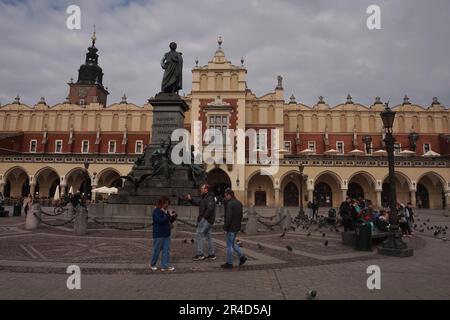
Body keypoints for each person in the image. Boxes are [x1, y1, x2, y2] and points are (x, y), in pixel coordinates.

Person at [187, 184, 216, 261]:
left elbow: (210, 209)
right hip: (208, 220)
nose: (201, 189)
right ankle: (212, 254)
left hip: (207, 220)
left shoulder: (209, 197)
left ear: (206, 189)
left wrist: (203, 218)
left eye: (202, 188)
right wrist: (191, 199)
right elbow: (198, 202)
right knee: (209, 236)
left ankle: (200, 254)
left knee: (199, 234)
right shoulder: (204, 197)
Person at [221, 189, 247, 269]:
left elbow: (228, 217)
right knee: (232, 244)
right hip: (237, 226)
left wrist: (225, 227)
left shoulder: (230, 204)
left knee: (229, 246)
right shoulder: (239, 203)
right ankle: (242, 256)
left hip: (231, 227)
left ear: (229, 195)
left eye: (226, 196)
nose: (225, 197)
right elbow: (241, 216)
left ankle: (229, 263)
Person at [150, 196, 176, 272]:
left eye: (168, 203)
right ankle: (152, 264)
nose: (167, 205)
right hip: (158, 234)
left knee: (166, 251)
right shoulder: (156, 211)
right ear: (161, 203)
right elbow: (160, 220)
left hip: (166, 234)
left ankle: (165, 266)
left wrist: (173, 216)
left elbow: (169, 220)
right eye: (166, 203)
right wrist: (168, 215)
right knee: (157, 251)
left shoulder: (166, 211)